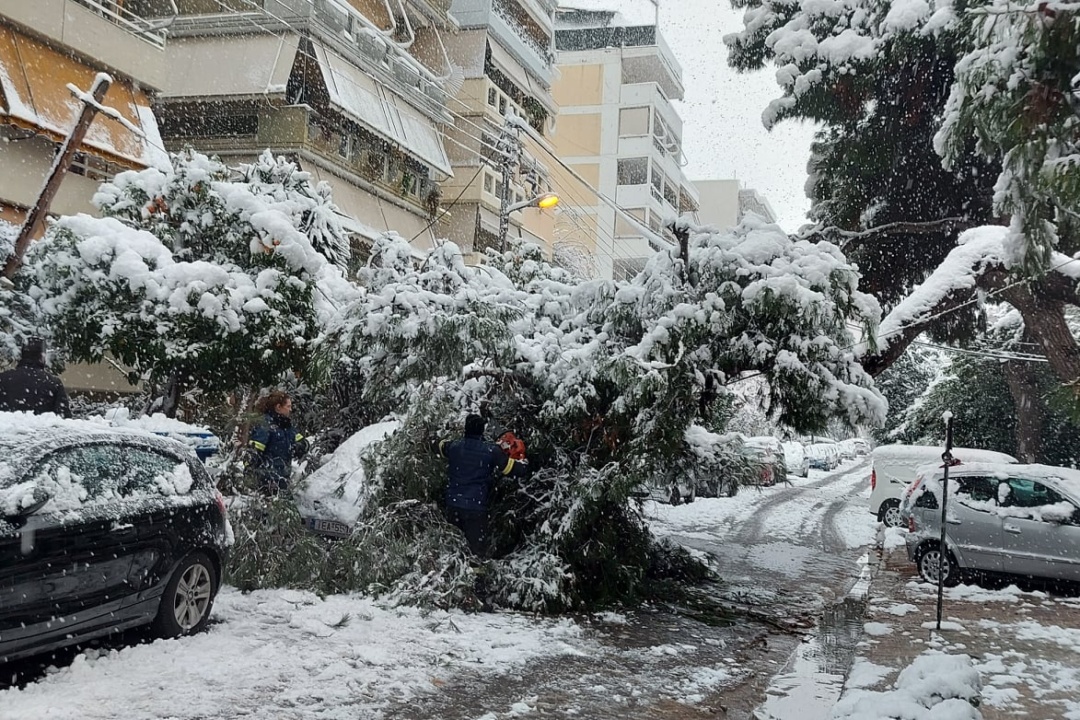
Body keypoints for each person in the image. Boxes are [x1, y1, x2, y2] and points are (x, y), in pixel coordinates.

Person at [436, 414, 526, 557]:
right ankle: (476, 575)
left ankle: (451, 574)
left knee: (452, 548)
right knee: (476, 552)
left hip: (453, 506)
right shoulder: (491, 451)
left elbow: (441, 445)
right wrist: (523, 461)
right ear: (482, 430)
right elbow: (512, 470)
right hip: (475, 509)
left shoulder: (454, 447)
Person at [248, 390, 309, 496]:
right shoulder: (265, 426)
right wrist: (252, 475)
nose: (290, 409)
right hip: (266, 483)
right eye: (288, 406)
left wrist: (300, 446)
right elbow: (253, 453)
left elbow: (304, 443)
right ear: (278, 407)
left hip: (283, 480)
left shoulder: (287, 426)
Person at [0, 337, 70, 417]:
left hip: (7, 428)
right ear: (41, 357)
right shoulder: (53, 383)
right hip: (43, 428)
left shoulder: (3, 379)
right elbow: (64, 418)